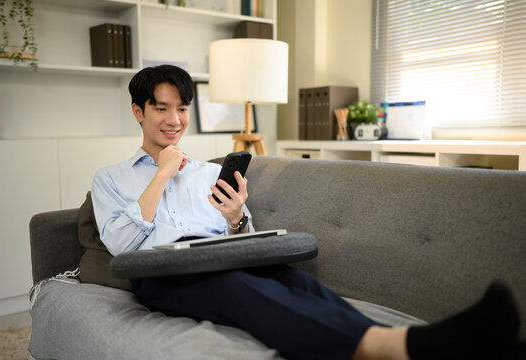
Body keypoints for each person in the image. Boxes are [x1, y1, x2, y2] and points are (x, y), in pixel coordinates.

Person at [91, 65, 524, 360]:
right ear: (139, 112)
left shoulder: (209, 172)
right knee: (238, 286)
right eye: (161, 108)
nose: (174, 120)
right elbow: (124, 247)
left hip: (218, 253)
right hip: (163, 274)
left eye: (182, 109)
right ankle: (395, 348)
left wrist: (237, 218)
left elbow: (242, 240)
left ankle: (396, 341)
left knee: (294, 280)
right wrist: (163, 173)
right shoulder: (110, 178)